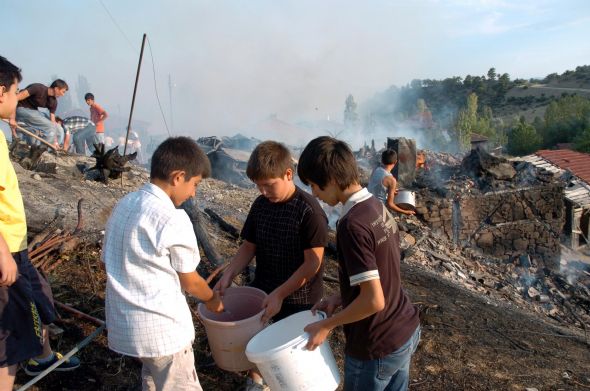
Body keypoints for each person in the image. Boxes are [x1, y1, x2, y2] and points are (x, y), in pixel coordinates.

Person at [297, 136, 421, 391]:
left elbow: (374, 300)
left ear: (330, 180)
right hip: (404, 329)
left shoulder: (351, 224)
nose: (313, 194)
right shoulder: (375, 205)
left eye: (313, 186)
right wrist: (342, 297)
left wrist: (327, 324)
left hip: (375, 345)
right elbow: (383, 275)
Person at [102, 136, 224, 391]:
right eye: (195, 184)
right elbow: (191, 282)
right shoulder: (172, 218)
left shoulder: (125, 204)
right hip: (163, 332)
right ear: (178, 177)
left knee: (153, 380)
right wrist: (213, 300)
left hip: (127, 326)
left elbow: (109, 260)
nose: (193, 193)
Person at [215, 140, 328, 391]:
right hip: (265, 287)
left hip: (300, 300)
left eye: (268, 185)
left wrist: (281, 294)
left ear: (288, 174)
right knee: (255, 341)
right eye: (258, 186)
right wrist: (229, 273)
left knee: (291, 359)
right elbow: (248, 246)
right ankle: (256, 382)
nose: (263, 191)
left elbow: (312, 264)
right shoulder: (261, 205)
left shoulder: (310, 212)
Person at [0, 56, 79, 391]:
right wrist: (2, 251)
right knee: (10, 338)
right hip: (7, 250)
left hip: (15, 245)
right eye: (13, 92)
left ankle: (43, 356)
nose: (17, 98)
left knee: (37, 298)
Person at [9, 79, 68, 148]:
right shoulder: (38, 88)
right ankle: (40, 151)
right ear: (56, 89)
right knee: (49, 127)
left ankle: (50, 148)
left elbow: (53, 121)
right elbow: (15, 99)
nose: (63, 95)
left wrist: (55, 141)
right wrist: (12, 118)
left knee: (59, 129)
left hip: (34, 112)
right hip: (21, 109)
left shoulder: (53, 101)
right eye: (63, 92)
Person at [368, 149, 415, 216]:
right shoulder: (391, 180)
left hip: (367, 203)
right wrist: (405, 212)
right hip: (377, 210)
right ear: (395, 162)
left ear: (382, 160)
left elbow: (376, 185)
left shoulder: (376, 169)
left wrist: (390, 191)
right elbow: (390, 204)